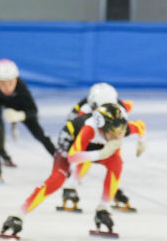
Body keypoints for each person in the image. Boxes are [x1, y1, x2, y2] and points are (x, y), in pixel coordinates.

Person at [0, 103, 132, 238]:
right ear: (101, 129)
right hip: (71, 144)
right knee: (58, 178)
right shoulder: (89, 129)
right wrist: (101, 154)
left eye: (121, 130)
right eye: (113, 132)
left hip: (91, 147)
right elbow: (73, 157)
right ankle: (19, 214)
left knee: (116, 162)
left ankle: (103, 208)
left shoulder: (119, 128)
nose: (118, 136)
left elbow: (140, 126)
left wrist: (141, 141)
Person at [60, 82, 145, 212]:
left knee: (116, 158)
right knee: (86, 152)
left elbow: (137, 123)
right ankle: (71, 185)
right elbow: (75, 146)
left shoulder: (120, 113)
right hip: (89, 135)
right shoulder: (84, 111)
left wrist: (141, 141)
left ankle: (112, 189)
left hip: (105, 135)